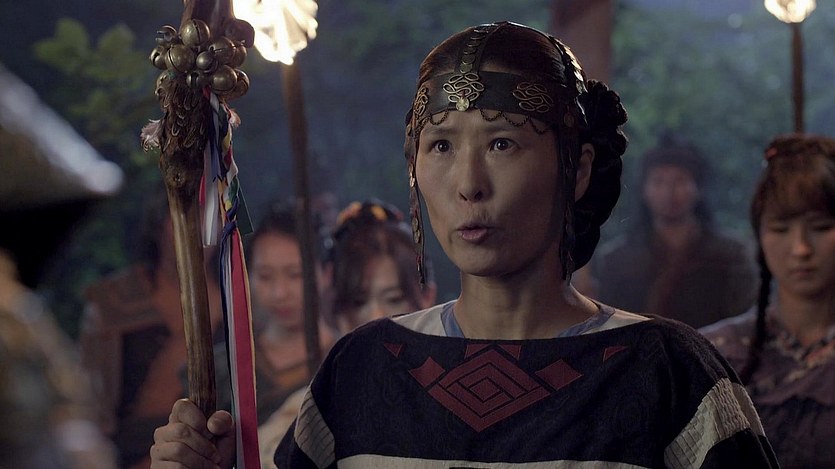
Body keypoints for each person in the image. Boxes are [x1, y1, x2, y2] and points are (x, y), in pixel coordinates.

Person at [150, 21, 777, 468]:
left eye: (503, 143)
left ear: (578, 168)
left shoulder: (667, 373)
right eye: (442, 145)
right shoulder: (362, 371)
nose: (468, 184)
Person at [256, 198, 437, 467]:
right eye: (358, 302)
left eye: (394, 299)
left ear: (427, 296)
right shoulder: (310, 411)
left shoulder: (454, 393)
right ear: (338, 312)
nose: (376, 317)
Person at [700, 134, 835, 467]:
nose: (801, 248)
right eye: (780, 229)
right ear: (759, 236)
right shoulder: (716, 353)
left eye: (820, 227)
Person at [80, 188, 225, 469]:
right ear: (159, 224)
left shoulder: (235, 302)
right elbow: (90, 401)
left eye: (205, 217)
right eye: (183, 215)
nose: (194, 228)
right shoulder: (113, 301)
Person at [591, 133, 758, 328]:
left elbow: (742, 322)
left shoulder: (730, 254)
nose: (669, 192)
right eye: (658, 181)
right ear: (644, 189)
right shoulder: (616, 259)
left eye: (680, 180)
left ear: (698, 187)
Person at [218, 200, 335, 425]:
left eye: (295, 274)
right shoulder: (224, 367)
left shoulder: (346, 359)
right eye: (265, 276)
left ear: (327, 274)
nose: (279, 293)